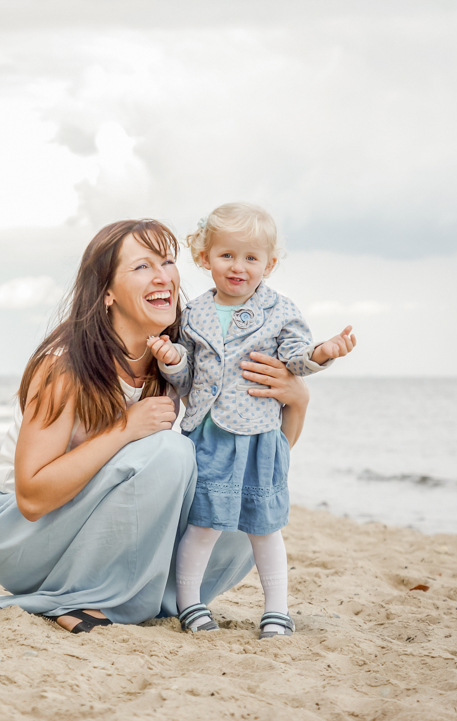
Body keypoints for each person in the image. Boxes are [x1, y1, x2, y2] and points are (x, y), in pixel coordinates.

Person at [0, 218, 311, 633]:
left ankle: (156, 600)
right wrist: (126, 429)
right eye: (142, 266)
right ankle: (97, 600)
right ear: (106, 292)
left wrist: (297, 402)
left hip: (85, 526)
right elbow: (32, 497)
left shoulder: (179, 359)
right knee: (171, 452)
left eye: (167, 261)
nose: (162, 276)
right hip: (19, 533)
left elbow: (260, 459)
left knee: (240, 494)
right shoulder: (65, 366)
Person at [147, 202, 356, 637]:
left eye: (250, 257)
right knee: (204, 525)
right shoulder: (195, 313)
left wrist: (323, 353)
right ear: (205, 258)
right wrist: (171, 359)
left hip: (261, 438)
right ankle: (190, 604)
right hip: (209, 437)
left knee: (266, 528)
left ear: (269, 264)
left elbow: (295, 360)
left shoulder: (281, 311)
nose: (237, 266)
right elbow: (188, 379)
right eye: (226, 255)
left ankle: (277, 610)